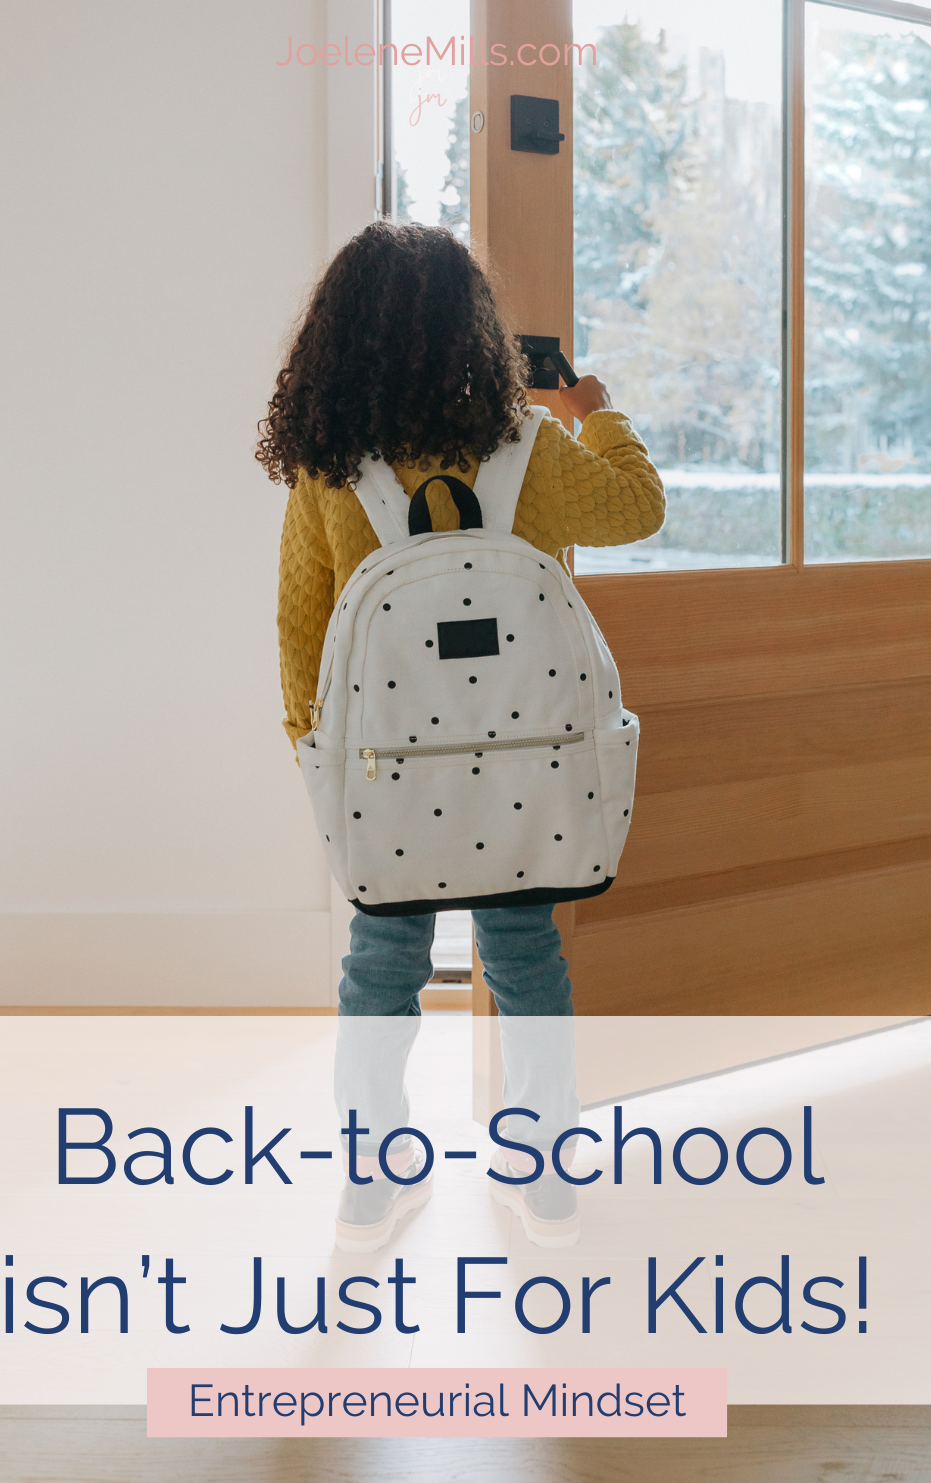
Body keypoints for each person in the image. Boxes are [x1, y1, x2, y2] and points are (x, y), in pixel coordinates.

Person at [258, 221, 664, 1252]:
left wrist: (317, 758)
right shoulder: (528, 449)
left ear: (337, 339)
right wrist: (596, 414)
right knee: (526, 955)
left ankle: (368, 1187)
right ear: (472, 334)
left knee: (378, 967)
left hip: (389, 768)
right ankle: (547, 1184)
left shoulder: (333, 466)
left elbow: (303, 622)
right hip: (526, 767)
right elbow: (637, 509)